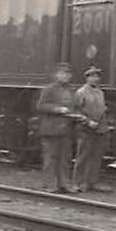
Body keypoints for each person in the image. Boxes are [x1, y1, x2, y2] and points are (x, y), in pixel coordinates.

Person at [35, 61, 80, 193]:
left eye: (68, 74)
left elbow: (74, 107)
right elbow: (41, 106)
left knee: (65, 159)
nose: (65, 76)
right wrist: (57, 109)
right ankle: (50, 184)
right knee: (50, 158)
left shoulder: (72, 90)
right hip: (51, 129)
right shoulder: (49, 89)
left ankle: (64, 184)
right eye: (63, 73)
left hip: (66, 129)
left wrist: (77, 115)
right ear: (57, 75)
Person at [72, 65, 110, 192]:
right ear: (87, 78)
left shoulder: (100, 93)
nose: (95, 79)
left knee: (96, 156)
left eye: (97, 76)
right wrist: (87, 122)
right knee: (83, 156)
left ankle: (91, 182)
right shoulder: (81, 93)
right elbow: (75, 111)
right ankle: (77, 183)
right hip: (85, 128)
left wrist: (105, 125)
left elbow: (102, 110)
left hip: (99, 128)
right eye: (92, 76)